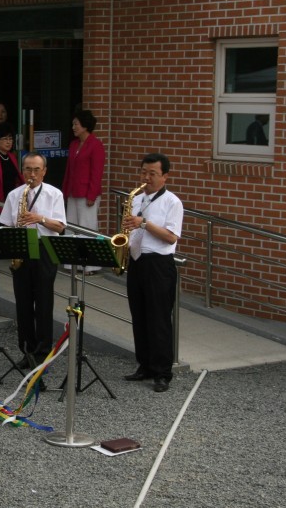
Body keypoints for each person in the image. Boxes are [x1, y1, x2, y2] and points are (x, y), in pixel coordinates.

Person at [122, 153, 183, 393]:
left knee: (158, 319)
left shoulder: (172, 202)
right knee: (139, 316)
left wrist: (143, 224)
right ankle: (144, 365)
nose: (146, 178)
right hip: (137, 262)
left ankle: (161, 372)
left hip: (158, 264)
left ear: (165, 176)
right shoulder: (137, 199)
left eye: (152, 174)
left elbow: (171, 237)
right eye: (143, 172)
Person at [0, 151, 66, 364]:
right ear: (23, 170)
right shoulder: (14, 195)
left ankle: (43, 351)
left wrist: (39, 218)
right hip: (21, 249)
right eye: (28, 169)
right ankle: (27, 350)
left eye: (37, 169)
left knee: (44, 303)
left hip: (45, 248)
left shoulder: (55, 194)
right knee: (23, 303)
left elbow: (60, 226)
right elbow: (5, 226)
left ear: (44, 172)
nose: (32, 174)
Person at [62, 109, 105, 273]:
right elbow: (68, 170)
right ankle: (71, 261)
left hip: (87, 193)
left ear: (85, 126)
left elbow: (97, 172)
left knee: (87, 227)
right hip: (73, 192)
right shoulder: (73, 145)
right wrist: (65, 192)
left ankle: (90, 264)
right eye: (73, 124)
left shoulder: (96, 145)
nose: (73, 127)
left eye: (76, 124)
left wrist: (92, 194)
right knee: (71, 226)